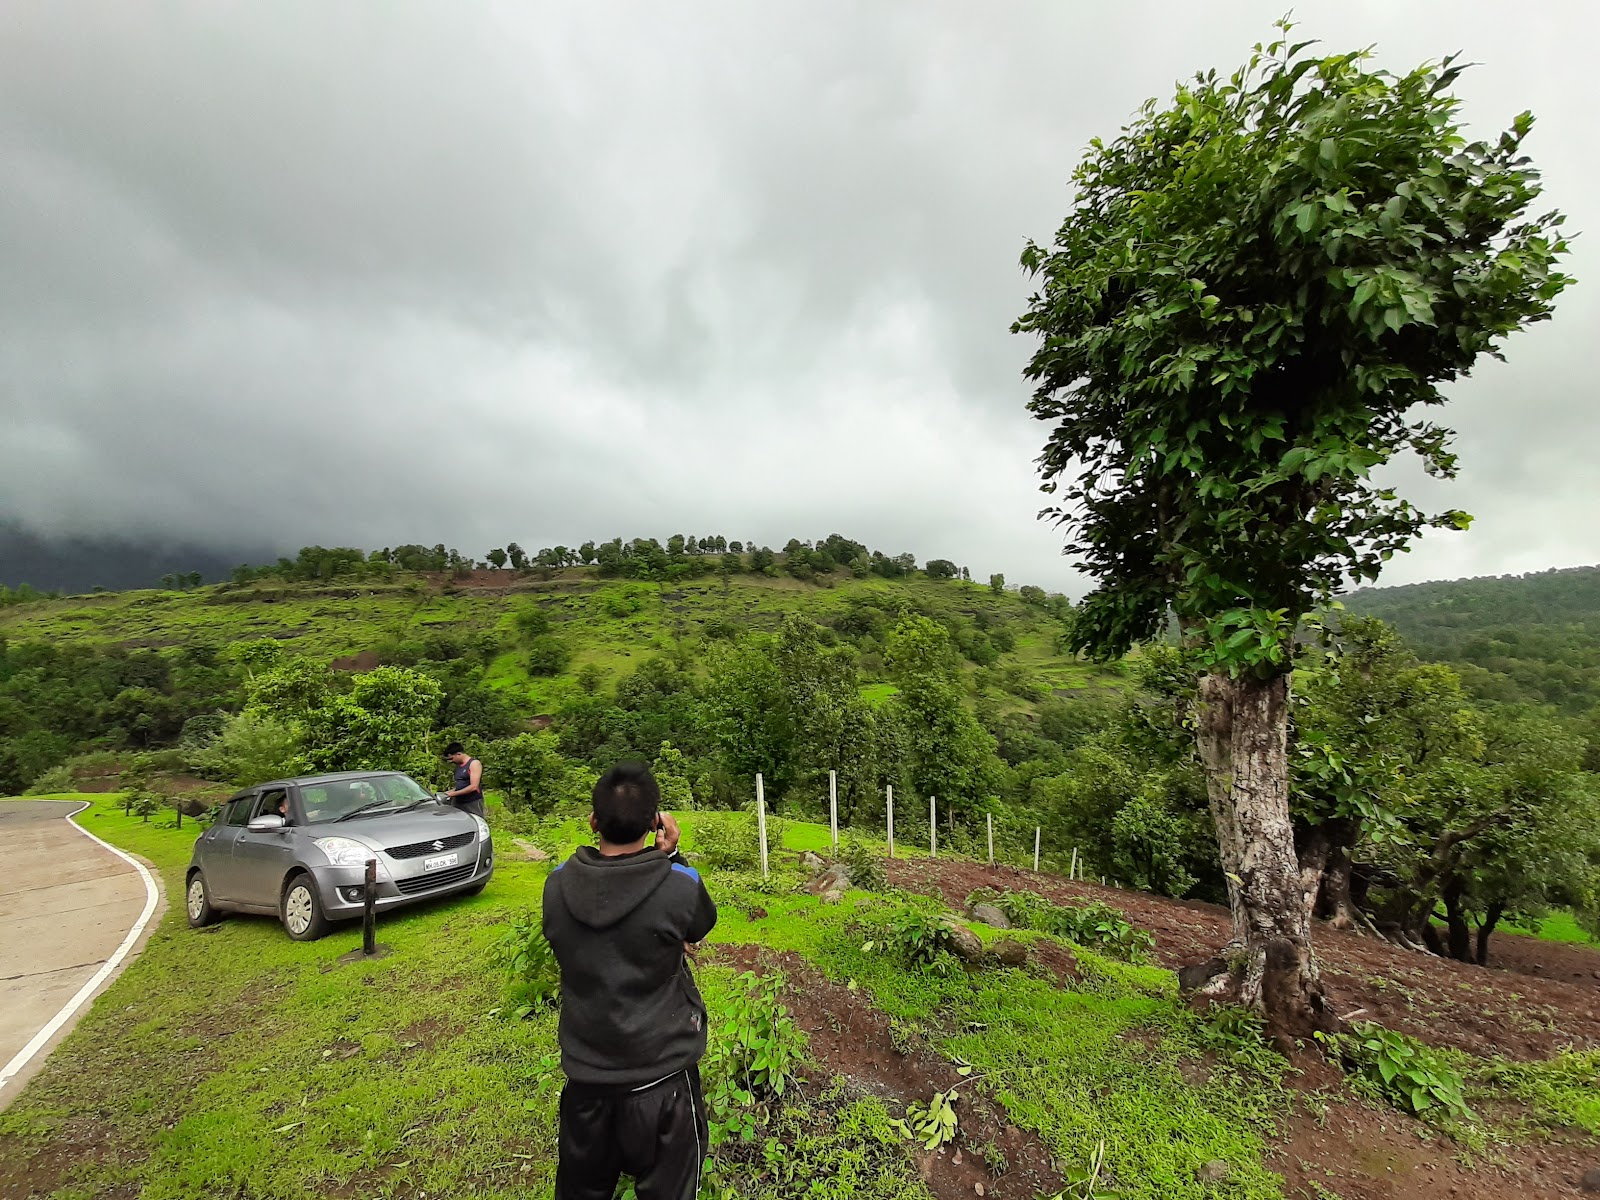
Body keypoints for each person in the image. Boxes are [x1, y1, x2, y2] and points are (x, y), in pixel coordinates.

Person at [542, 762, 717, 1200]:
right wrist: (672, 854)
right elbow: (701, 923)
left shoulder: (556, 886)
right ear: (654, 822)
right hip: (663, 1083)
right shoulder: (676, 885)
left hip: (586, 1082)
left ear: (593, 822)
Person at [442, 743, 485, 819]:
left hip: (472, 802)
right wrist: (448, 793)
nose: (451, 761)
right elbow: (461, 785)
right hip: (459, 802)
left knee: (475, 822)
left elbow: (474, 786)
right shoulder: (458, 766)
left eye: (452, 758)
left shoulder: (474, 764)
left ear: (458, 754)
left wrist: (453, 794)